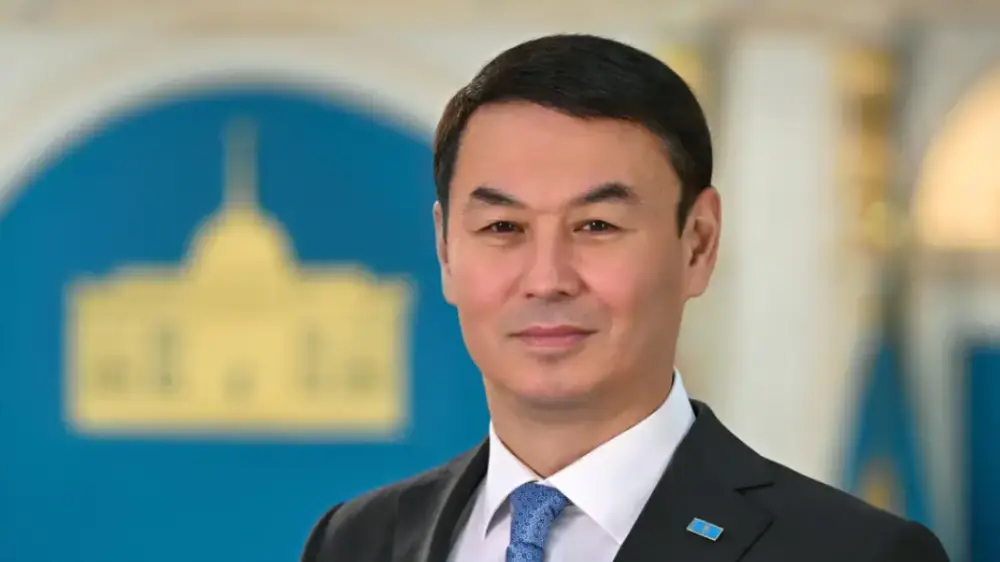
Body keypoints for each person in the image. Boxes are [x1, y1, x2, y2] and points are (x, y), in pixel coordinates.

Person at [300, 33, 950, 562]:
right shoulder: (357, 542)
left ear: (698, 243)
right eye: (503, 228)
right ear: (445, 249)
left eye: (596, 226)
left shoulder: (852, 553)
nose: (547, 278)